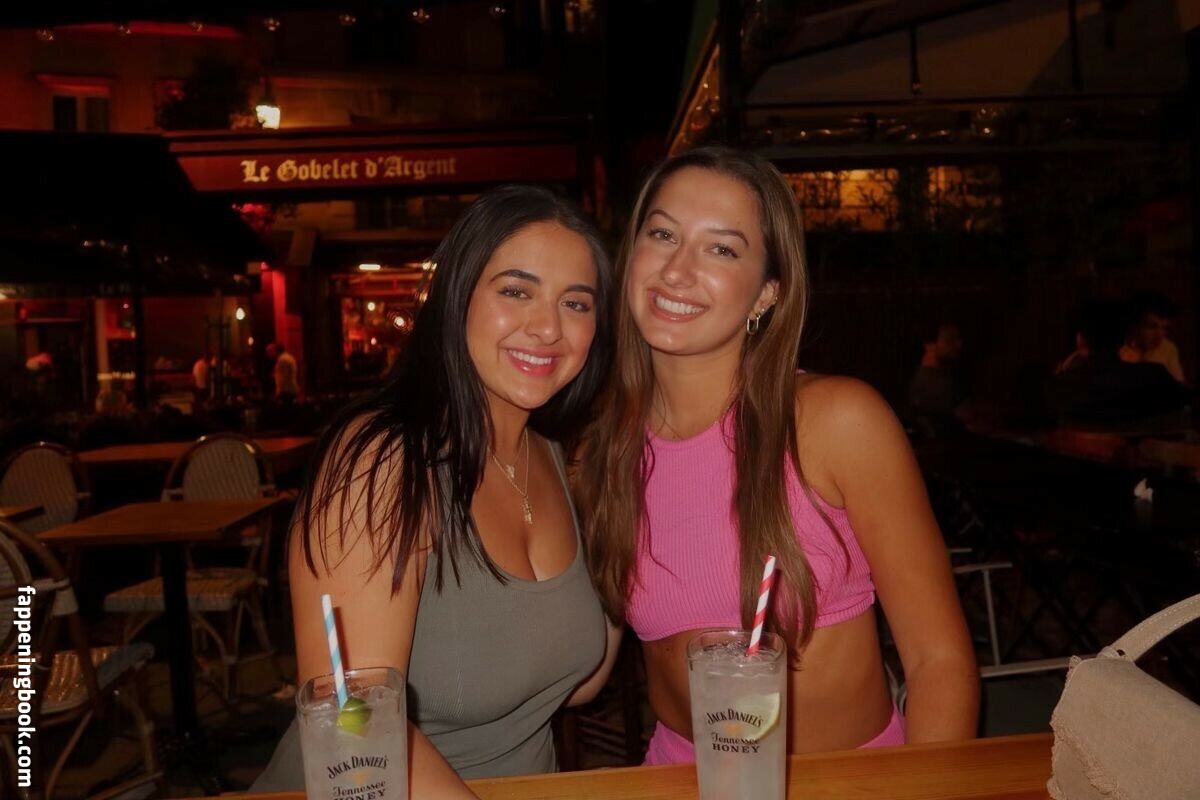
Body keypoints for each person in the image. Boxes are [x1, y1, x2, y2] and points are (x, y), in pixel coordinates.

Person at [577, 147, 979, 766]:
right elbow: (583, 665)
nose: (677, 270)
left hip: (845, 781)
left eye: (721, 249)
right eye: (662, 234)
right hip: (678, 774)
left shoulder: (836, 420)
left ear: (767, 292)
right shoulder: (602, 448)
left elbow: (939, 660)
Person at [251, 185, 621, 796]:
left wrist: (632, 545)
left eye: (576, 303)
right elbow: (352, 724)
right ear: (456, 296)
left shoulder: (553, 459)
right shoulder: (382, 461)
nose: (548, 327)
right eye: (516, 291)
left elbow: (576, 682)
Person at [1050, 301, 1191, 430]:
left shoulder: (1060, 386)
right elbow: (1186, 402)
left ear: (1081, 339)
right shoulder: (1154, 377)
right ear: (1125, 337)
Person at [908, 320, 967, 436]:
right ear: (929, 344)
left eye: (959, 339)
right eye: (949, 340)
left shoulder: (947, 377)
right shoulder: (928, 382)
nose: (958, 345)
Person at [1120, 292, 1186, 384]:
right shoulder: (1118, 350)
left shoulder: (1167, 348)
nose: (1160, 335)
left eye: (1164, 328)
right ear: (1134, 327)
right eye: (1152, 327)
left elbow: (1179, 384)